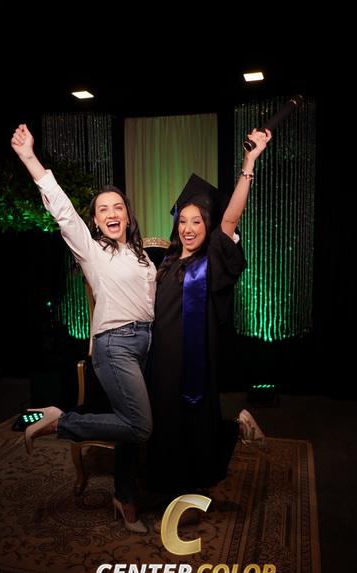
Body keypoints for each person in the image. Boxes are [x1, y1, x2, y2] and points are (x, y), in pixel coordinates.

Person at [11, 123, 156, 534]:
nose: (112, 214)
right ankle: (61, 420)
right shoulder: (92, 252)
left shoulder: (142, 257)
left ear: (128, 214)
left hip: (145, 344)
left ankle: (125, 498)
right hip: (115, 346)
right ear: (94, 220)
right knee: (142, 425)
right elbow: (61, 209)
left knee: (130, 425)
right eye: (103, 210)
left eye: (118, 207)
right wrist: (29, 157)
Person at [147, 128, 271, 513]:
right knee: (164, 422)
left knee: (192, 423)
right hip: (161, 360)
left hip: (193, 362)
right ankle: (169, 485)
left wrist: (249, 163)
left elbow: (231, 218)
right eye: (183, 221)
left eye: (197, 222)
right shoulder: (167, 262)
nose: (188, 228)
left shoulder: (210, 262)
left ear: (207, 226)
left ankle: (186, 491)